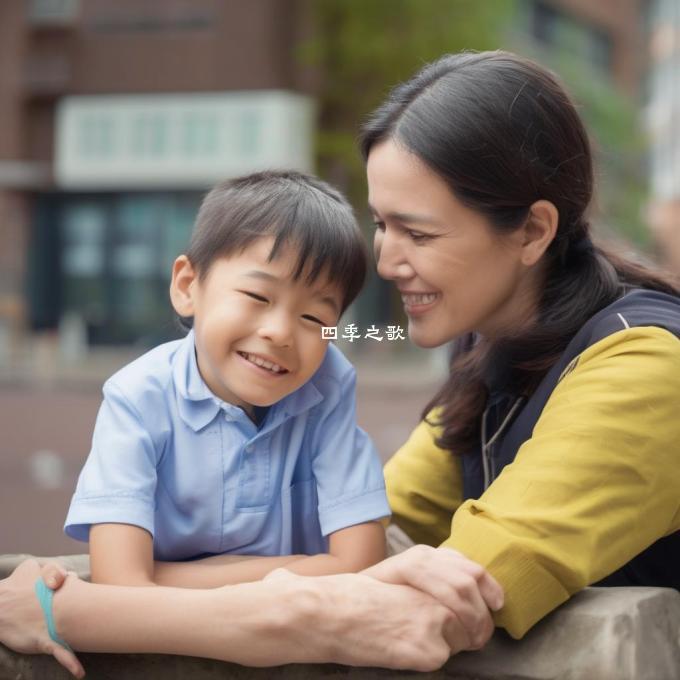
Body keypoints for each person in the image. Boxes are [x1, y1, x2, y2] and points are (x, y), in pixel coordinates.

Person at [361, 49, 680, 639]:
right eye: (381, 225)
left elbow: (476, 582)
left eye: (418, 233)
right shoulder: (488, 342)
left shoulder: (645, 361)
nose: (386, 261)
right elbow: (375, 522)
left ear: (533, 230)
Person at [63, 170, 392, 587]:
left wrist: (182, 576)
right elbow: (120, 583)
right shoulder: (138, 397)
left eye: (314, 317)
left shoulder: (327, 387)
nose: (281, 332)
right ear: (188, 286)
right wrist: (304, 571)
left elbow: (362, 562)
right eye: (258, 296)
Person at [0, 547, 503, 677]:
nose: (390, 274)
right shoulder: (471, 374)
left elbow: (451, 599)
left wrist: (66, 609)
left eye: (317, 317)